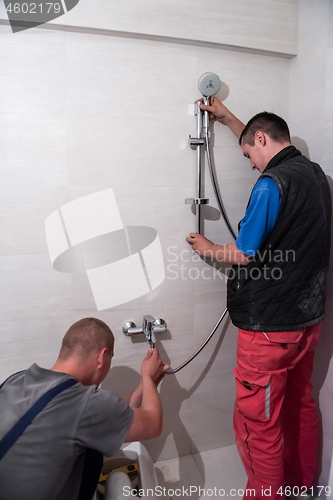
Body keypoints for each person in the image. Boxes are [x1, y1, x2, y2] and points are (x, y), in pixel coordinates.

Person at [186, 98, 331, 500]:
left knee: (259, 425)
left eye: (250, 153)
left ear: (263, 140)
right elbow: (259, 141)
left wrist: (208, 246)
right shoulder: (316, 175)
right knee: (300, 408)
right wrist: (230, 119)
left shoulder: (271, 185)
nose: (250, 164)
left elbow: (244, 253)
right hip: (308, 325)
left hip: (269, 333)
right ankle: (301, 491)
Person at [0, 317, 169, 500]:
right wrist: (148, 377)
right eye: (110, 359)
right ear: (101, 357)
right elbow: (153, 425)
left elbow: (101, 419)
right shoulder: (83, 403)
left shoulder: (17, 380)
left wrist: (143, 389)